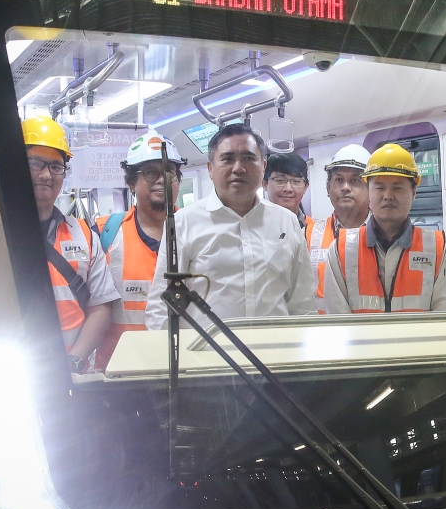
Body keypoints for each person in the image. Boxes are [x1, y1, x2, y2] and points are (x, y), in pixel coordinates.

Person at [145, 123, 317, 329]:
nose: (238, 168)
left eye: (248, 158)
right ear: (210, 168)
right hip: (207, 348)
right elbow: (162, 307)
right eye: (227, 159)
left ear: (263, 166)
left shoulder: (286, 222)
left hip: (272, 347)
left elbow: (302, 303)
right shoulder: (184, 223)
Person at [22, 115, 119, 374]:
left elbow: (100, 307)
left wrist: (74, 362)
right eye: (35, 163)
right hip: (9, 375)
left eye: (56, 166)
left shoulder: (83, 234)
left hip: (72, 374)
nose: (46, 175)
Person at [325, 143, 446, 314]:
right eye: (379, 188)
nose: (388, 195)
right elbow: (338, 319)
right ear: (369, 192)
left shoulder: (437, 247)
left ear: (414, 193)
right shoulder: (340, 249)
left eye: (397, 188)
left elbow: (443, 318)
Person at [93, 130, 185, 370]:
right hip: (119, 371)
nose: (162, 180)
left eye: (170, 172)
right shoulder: (104, 234)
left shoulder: (198, 231)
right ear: (132, 183)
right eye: (151, 173)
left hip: (183, 368)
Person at [307, 144, 373, 311]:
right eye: (338, 180)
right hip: (324, 327)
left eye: (355, 180)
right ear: (328, 188)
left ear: (371, 189)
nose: (345, 187)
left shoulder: (386, 235)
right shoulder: (307, 235)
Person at [263, 153, 310, 228]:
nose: (288, 189)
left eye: (296, 181)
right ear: (265, 184)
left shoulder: (316, 230)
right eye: (280, 180)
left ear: (305, 187)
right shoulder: (251, 226)